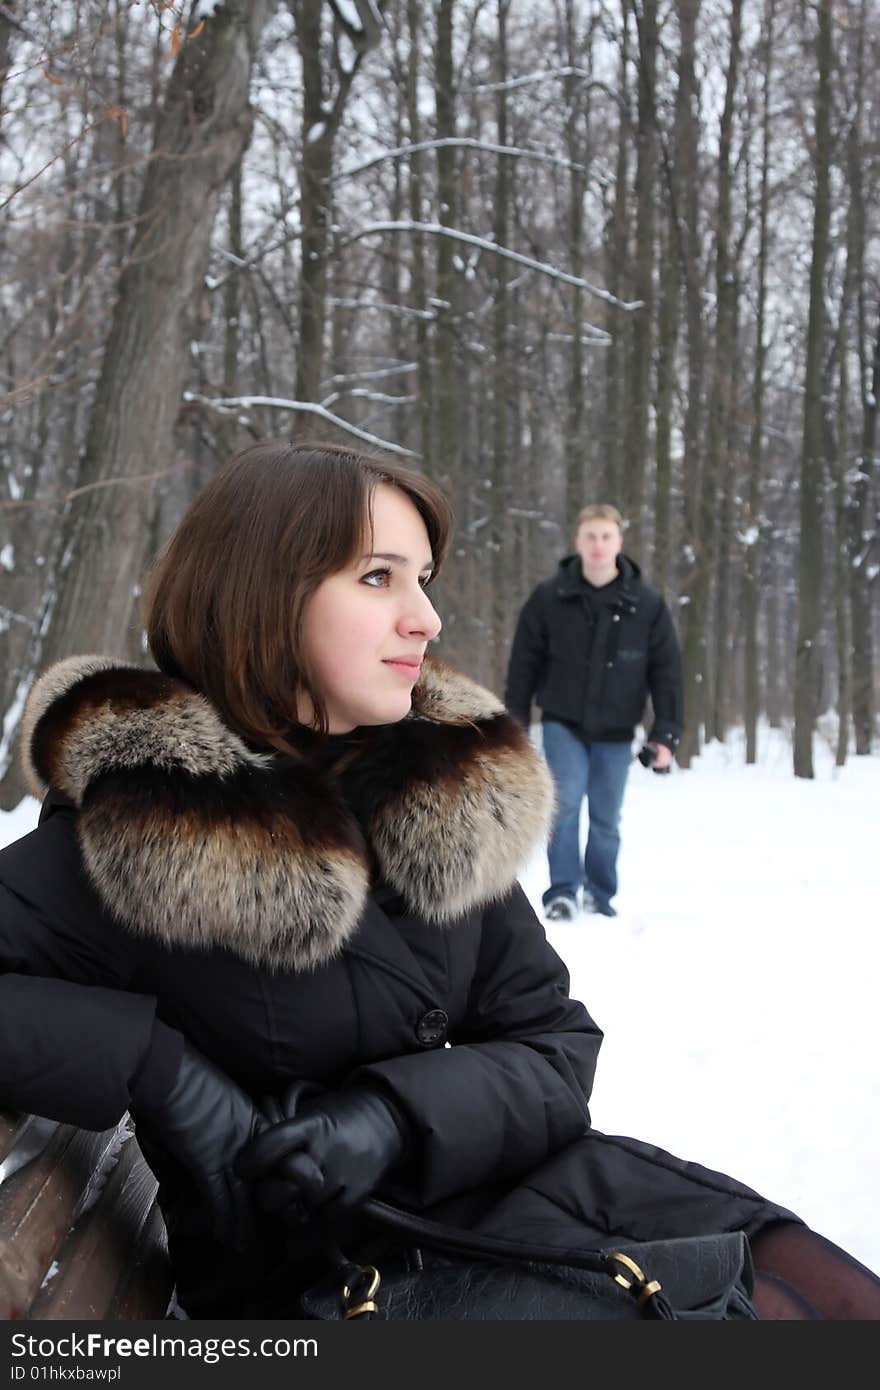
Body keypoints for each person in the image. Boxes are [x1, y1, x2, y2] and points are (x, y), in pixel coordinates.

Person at [1, 441, 877, 1321]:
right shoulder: (144, 828)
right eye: (380, 578)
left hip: (503, 1184)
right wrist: (157, 1065)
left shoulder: (434, 796)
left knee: (829, 1300)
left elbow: (554, 1044)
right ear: (262, 596)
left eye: (424, 579)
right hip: (351, 1280)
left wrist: (393, 1118)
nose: (425, 618)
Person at [505, 504, 683, 921]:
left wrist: (666, 733)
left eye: (606, 537)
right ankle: (563, 891)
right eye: (591, 536)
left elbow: (668, 673)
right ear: (578, 541)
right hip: (562, 721)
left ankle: (600, 894)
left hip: (618, 729)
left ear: (619, 542)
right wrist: (512, 727)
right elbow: (522, 666)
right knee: (563, 807)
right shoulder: (550, 598)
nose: (598, 545)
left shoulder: (647, 604)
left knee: (606, 819)